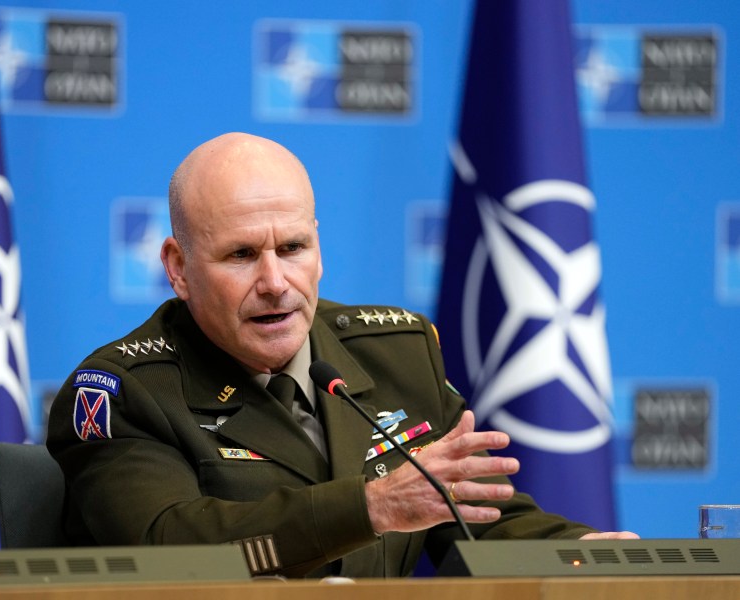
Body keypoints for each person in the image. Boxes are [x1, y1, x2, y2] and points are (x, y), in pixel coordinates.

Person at [46, 132, 637, 579]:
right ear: (178, 268)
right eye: (242, 255)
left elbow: (477, 515)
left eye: (293, 247)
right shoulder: (124, 393)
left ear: (318, 246)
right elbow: (171, 553)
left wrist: (581, 554)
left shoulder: (396, 353)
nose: (276, 281)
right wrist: (369, 506)